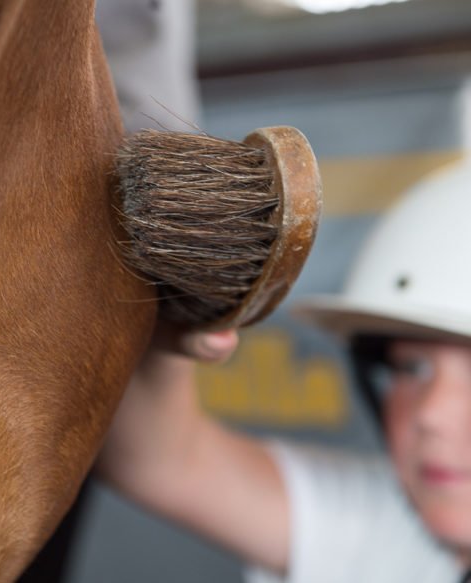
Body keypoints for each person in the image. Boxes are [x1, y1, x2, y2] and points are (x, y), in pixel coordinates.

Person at [97, 160, 471, 582]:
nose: (431, 414)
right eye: (412, 367)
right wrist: (172, 322)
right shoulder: (385, 527)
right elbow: (158, 459)